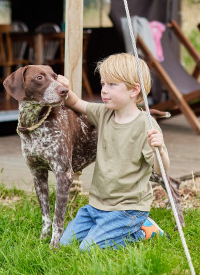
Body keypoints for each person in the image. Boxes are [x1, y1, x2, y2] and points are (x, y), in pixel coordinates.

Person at [57, 52, 170, 251]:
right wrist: (63, 88)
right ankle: (110, 228)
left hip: (127, 207)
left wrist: (159, 150)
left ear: (134, 90)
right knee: (66, 243)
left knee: (87, 249)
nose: (104, 91)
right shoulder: (104, 114)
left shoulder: (146, 125)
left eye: (112, 85)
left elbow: (161, 171)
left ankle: (144, 231)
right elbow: (75, 103)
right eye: (102, 84)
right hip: (97, 205)